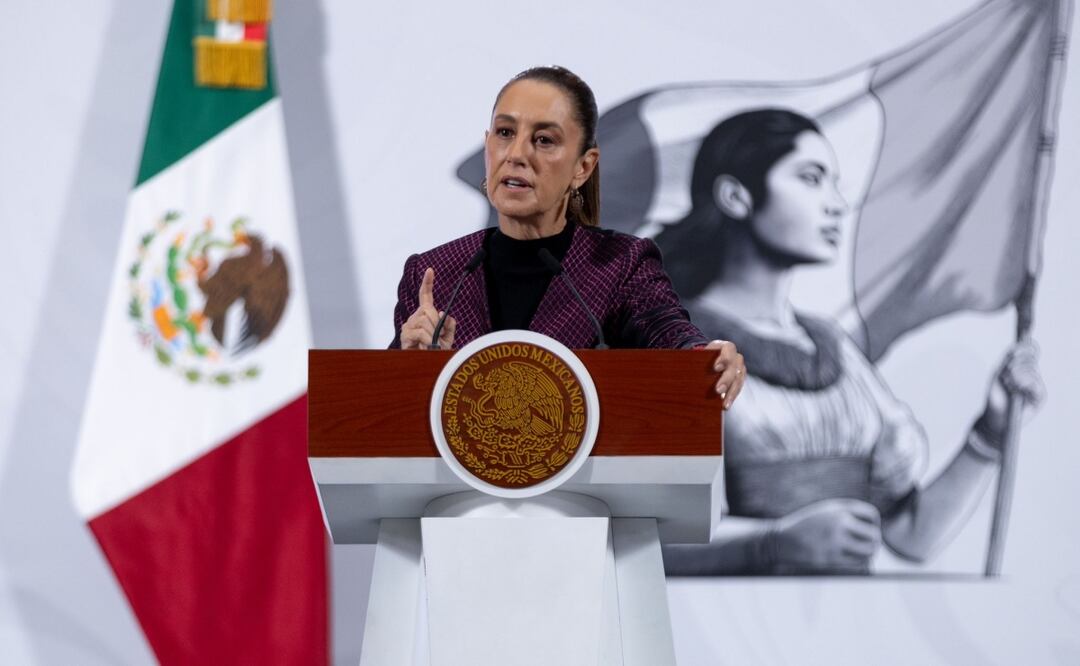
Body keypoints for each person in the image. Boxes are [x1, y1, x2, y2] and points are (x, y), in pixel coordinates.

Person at [657, 109, 1044, 575]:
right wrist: (772, 545)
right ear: (735, 196)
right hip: (730, 616)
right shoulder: (670, 343)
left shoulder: (834, 348)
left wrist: (992, 431)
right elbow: (649, 540)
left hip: (848, 616)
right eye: (811, 178)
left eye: (834, 183)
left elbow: (911, 536)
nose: (837, 205)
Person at [390, 66, 746, 406]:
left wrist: (702, 355)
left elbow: (666, 330)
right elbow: (386, 413)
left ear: (583, 166)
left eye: (544, 140)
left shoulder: (621, 265)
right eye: (505, 133)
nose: (516, 154)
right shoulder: (434, 275)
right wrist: (410, 363)